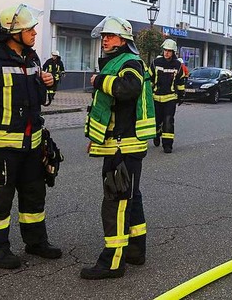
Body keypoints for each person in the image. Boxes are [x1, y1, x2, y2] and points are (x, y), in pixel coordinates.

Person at [0, 4, 61, 270]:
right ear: (13, 33)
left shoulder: (32, 58)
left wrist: (48, 84)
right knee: (0, 198)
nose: (34, 33)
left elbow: (41, 100)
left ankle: (36, 242)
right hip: (2, 147)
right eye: (29, 29)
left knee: (34, 196)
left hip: (32, 146)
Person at [83, 16, 155, 279]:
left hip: (124, 145)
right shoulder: (117, 61)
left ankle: (112, 262)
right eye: (103, 36)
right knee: (130, 197)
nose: (105, 40)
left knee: (116, 200)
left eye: (110, 36)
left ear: (123, 40)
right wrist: (95, 137)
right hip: (119, 143)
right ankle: (136, 250)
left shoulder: (129, 62)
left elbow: (129, 89)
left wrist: (99, 81)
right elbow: (107, 110)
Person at [151, 39, 185, 154]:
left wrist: (181, 95)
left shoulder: (178, 65)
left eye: (169, 51)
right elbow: (150, 79)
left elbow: (180, 82)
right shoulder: (156, 62)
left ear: (173, 52)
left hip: (170, 98)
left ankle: (167, 145)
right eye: (165, 50)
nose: (166, 53)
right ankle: (156, 134)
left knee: (168, 120)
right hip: (155, 97)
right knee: (156, 121)